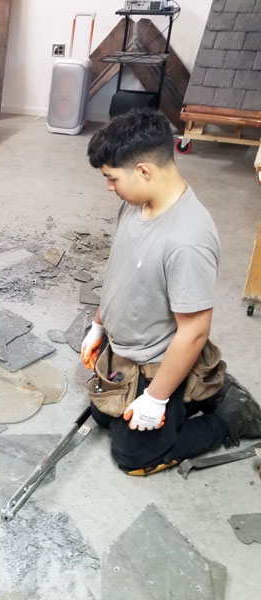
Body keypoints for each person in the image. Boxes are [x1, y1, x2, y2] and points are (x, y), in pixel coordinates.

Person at [83, 109, 261, 475]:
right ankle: (198, 391)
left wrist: (156, 397)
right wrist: (99, 325)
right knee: (104, 418)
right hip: (126, 348)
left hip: (157, 360)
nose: (109, 187)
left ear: (144, 171)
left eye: (112, 178)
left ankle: (228, 417)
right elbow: (119, 271)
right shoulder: (135, 206)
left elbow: (194, 330)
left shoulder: (187, 240)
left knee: (134, 457)